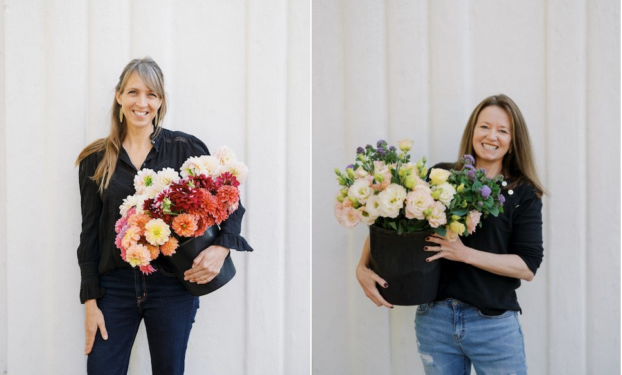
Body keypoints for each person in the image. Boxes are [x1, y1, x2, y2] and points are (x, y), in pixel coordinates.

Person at [75, 57, 253, 375]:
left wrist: (222, 247)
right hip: (113, 289)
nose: (141, 102)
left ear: (160, 101)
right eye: (133, 92)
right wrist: (91, 303)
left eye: (151, 94)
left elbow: (231, 201)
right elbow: (90, 234)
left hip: (171, 287)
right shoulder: (96, 159)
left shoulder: (184, 149)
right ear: (118, 96)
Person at [356, 94, 544, 374]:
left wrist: (464, 254)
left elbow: (527, 266)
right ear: (473, 131)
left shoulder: (523, 194)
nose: (492, 136)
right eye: (485, 126)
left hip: (493, 326)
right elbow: (392, 223)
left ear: (513, 140)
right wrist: (362, 267)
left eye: (503, 130)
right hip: (436, 321)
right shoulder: (441, 176)